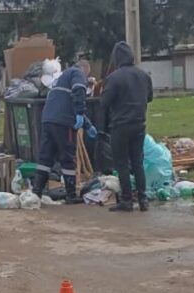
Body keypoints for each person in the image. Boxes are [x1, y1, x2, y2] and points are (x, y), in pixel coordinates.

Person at [32, 60, 97, 204]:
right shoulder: (77, 73)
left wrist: (87, 125)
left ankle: (36, 191)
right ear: (85, 70)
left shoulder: (61, 78)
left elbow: (69, 102)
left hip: (47, 120)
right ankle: (71, 195)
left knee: (45, 157)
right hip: (63, 123)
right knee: (68, 157)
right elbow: (79, 91)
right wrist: (80, 113)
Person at [101, 41, 153, 213]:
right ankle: (143, 199)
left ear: (116, 58)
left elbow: (105, 102)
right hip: (139, 124)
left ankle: (127, 200)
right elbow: (150, 98)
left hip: (120, 125)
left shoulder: (114, 77)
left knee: (122, 164)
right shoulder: (144, 76)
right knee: (137, 162)